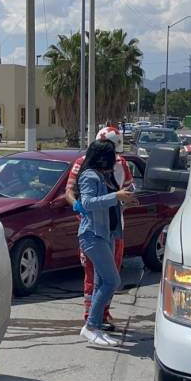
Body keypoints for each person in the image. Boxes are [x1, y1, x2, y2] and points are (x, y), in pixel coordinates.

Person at [66, 126, 133, 331]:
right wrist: (78, 206)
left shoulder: (122, 165)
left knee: (107, 275)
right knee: (97, 274)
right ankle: (91, 317)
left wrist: (126, 200)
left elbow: (128, 188)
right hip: (93, 229)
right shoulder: (83, 166)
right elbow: (70, 192)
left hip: (113, 227)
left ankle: (101, 314)